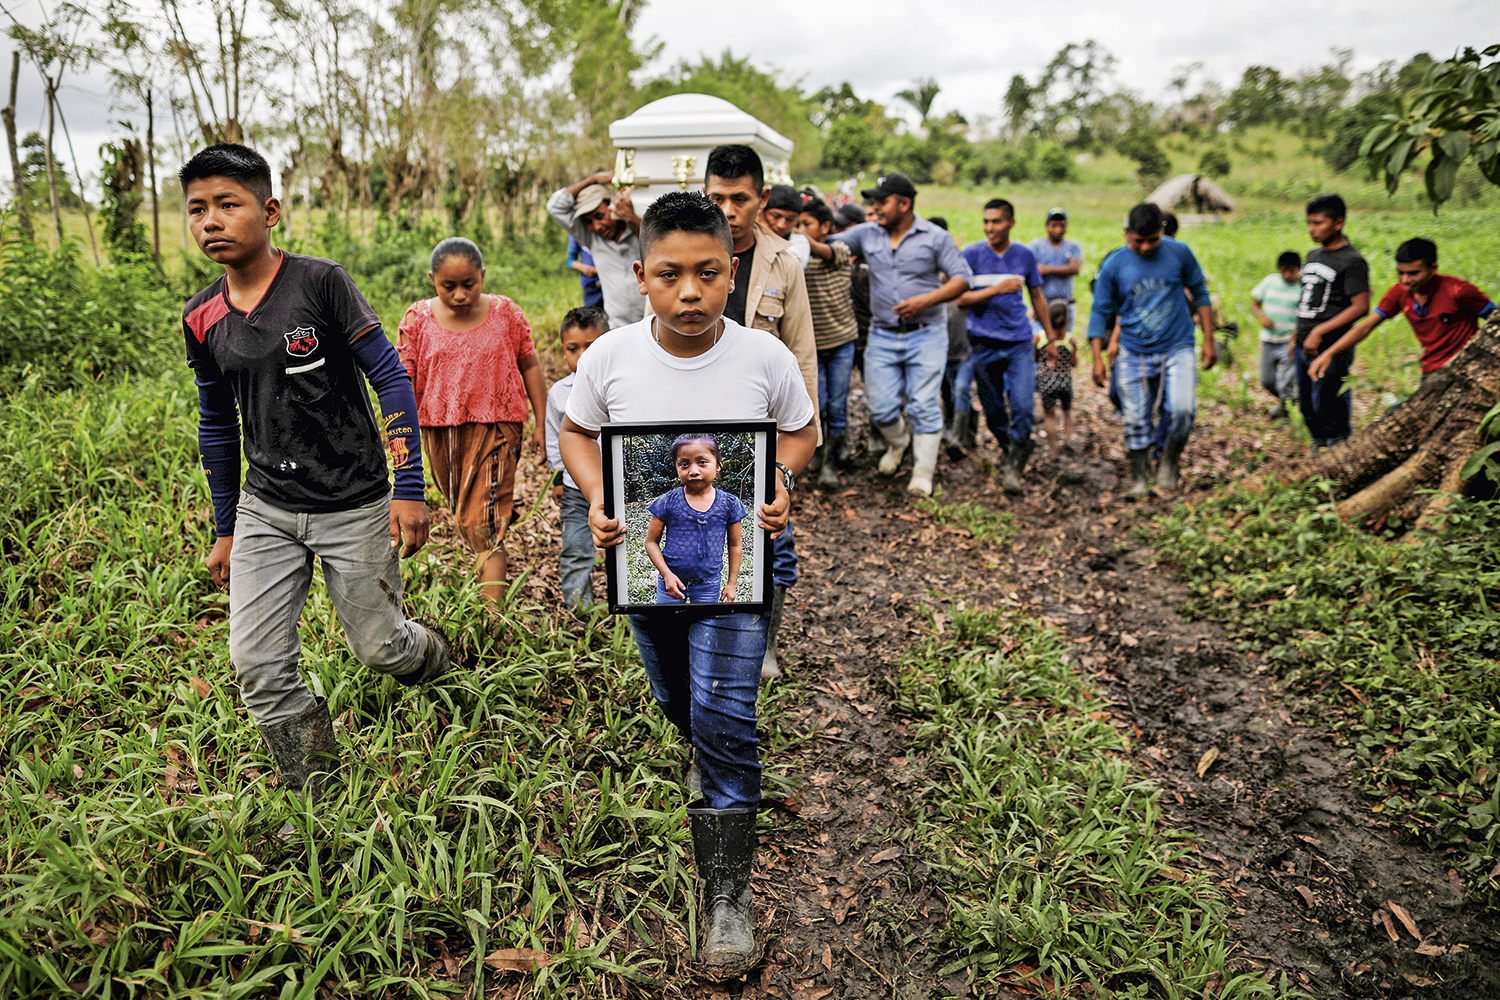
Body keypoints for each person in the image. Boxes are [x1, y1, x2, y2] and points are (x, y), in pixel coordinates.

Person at [558, 191, 817, 976]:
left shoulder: (763, 358)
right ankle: (703, 742)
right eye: (670, 275)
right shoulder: (610, 358)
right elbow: (577, 432)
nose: (691, 292)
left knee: (726, 713)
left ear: (732, 271)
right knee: (678, 697)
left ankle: (727, 897)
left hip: (734, 582)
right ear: (641, 276)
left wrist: (780, 482)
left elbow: (800, 432)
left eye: (708, 273)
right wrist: (599, 496)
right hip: (653, 581)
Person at [180, 143, 450, 829]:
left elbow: (389, 376)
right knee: (256, 662)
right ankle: (320, 800)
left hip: (353, 502)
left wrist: (408, 486)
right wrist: (225, 527)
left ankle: (438, 657)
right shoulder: (201, 317)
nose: (211, 220)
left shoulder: (320, 283)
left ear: (270, 211)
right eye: (197, 209)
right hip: (266, 508)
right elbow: (217, 424)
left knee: (380, 649)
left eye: (228, 204)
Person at [701, 144, 819, 680]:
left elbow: (802, 354)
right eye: (717, 198)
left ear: (762, 198)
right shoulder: (687, 252)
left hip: (764, 431)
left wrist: (800, 445)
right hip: (696, 424)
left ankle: (764, 642)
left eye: (740, 199)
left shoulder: (783, 263)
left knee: (773, 538)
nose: (728, 211)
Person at [398, 237, 547, 604]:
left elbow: (529, 364)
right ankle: (483, 595)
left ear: (483, 275)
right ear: (432, 280)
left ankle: (492, 619)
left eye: (469, 284)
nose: (460, 295)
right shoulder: (417, 319)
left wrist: (542, 422)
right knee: (464, 515)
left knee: (483, 525)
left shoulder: (505, 313)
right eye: (448, 286)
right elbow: (402, 380)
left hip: (496, 427)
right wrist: (400, 436)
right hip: (439, 432)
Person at [832, 173, 971, 495]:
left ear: (905, 203)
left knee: (924, 405)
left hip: (927, 333)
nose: (876, 207)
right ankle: (899, 442)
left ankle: (922, 474)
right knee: (879, 406)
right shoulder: (867, 233)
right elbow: (830, 244)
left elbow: (963, 278)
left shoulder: (935, 237)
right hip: (882, 334)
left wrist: (927, 300)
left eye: (883, 201)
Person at [1088, 202, 1216, 498]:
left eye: (1152, 240)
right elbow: (1099, 310)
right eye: (1138, 241)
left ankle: (1169, 461)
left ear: (1163, 230)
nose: (1145, 247)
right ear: (1126, 233)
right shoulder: (1114, 264)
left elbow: (1200, 293)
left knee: (1182, 410)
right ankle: (1140, 477)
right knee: (1135, 418)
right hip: (1134, 350)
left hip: (1177, 345)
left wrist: (1209, 340)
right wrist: (1097, 357)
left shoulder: (1180, 253)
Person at [955, 199, 1055, 493]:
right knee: (993, 411)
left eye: (996, 221)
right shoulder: (971, 254)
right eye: (986, 221)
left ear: (1011, 222)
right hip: (982, 343)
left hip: (1018, 343)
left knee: (1023, 406)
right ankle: (1010, 447)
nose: (989, 227)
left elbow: (1037, 297)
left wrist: (1049, 338)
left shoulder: (1024, 255)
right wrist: (996, 289)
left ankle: (1014, 464)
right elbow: (961, 299)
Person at [1309, 238, 1494, 386]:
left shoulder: (1459, 291)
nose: (1405, 280)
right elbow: (1366, 327)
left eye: (1413, 273)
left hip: (1466, 370)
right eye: (1400, 272)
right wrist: (1329, 353)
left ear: (1433, 269)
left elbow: (1495, 318)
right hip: (1430, 371)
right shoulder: (1399, 293)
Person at [1295, 194, 1369, 452]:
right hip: (1303, 343)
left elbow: (1361, 306)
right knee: (1306, 403)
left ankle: (1339, 448)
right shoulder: (1312, 255)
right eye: (1309, 223)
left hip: (1332, 345)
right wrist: (1296, 335)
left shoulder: (1352, 260)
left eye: (1318, 223)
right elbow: (1305, 299)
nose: (1311, 229)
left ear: (1338, 223)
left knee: (1330, 400)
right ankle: (1318, 447)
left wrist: (1320, 331)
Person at [546, 306, 609, 609]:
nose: (583, 356)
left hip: (618, 486)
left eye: (591, 346)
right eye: (573, 349)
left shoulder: (617, 387)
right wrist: (558, 476)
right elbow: (554, 436)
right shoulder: (559, 393)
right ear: (563, 350)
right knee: (576, 548)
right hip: (575, 489)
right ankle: (579, 611)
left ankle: (630, 608)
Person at [795, 200, 859, 489]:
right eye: (798, 224)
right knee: (816, 404)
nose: (800, 229)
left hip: (841, 343)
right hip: (813, 348)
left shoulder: (838, 250)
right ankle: (818, 455)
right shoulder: (796, 259)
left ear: (826, 227)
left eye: (806, 224)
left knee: (837, 404)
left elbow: (826, 252)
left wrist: (798, 236)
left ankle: (832, 462)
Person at [645, 435, 747, 604]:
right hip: (671, 582)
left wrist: (731, 584)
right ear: (676, 467)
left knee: (705, 621)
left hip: (708, 585)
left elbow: (735, 545)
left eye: (702, 462)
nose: (693, 471)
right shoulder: (667, 502)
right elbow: (650, 542)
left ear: (718, 465)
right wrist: (666, 574)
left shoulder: (730, 504)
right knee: (667, 620)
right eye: (684, 464)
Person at [546, 170, 644, 330]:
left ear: (614, 207)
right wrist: (592, 179)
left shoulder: (639, 230)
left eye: (600, 216)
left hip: (654, 327)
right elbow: (555, 206)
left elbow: (659, 248)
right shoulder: (591, 238)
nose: (597, 227)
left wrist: (630, 217)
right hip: (618, 328)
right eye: (588, 222)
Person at [1249, 251, 1302, 421]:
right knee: (1267, 380)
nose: (1287, 275)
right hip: (1268, 340)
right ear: (1279, 269)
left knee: (1285, 382)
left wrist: (1295, 340)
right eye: (1284, 270)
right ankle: (1291, 401)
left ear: (1298, 270)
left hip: (1288, 341)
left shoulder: (1303, 288)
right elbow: (1254, 304)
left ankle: (1286, 414)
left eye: (1292, 271)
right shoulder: (1270, 281)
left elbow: (1303, 316)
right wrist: (1261, 317)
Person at [1029, 207, 1083, 333]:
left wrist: (1046, 269)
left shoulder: (1073, 247)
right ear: (1047, 226)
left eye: (1061, 225)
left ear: (1066, 226)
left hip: (1065, 305)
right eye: (1054, 225)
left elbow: (1074, 268)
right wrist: (1063, 269)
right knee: (1041, 338)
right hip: (1043, 304)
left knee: (1064, 340)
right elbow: (1032, 271)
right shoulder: (1036, 247)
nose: (1058, 230)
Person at [1035, 300, 1076, 454]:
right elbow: (1074, 362)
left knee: (1049, 415)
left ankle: (1053, 450)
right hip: (1065, 379)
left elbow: (1035, 357)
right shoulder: (1069, 339)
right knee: (1067, 411)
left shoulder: (1039, 338)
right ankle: (1068, 439)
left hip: (1046, 380)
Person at [762, 184, 812, 267]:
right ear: (762, 212)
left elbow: (786, 266)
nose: (781, 225)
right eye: (775, 216)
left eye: (790, 219)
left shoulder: (799, 241)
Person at [567, 236, 603, 308]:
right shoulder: (577, 234)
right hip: (592, 288)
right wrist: (584, 268)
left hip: (611, 284)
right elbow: (570, 261)